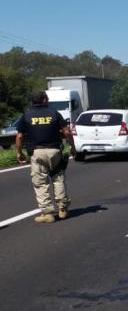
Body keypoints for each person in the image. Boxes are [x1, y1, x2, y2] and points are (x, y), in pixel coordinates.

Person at [15, 91, 76, 223]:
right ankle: (63, 209)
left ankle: (47, 213)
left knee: (41, 183)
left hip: (37, 153)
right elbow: (67, 132)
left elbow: (19, 136)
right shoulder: (54, 113)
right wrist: (72, 147)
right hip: (55, 151)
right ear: (44, 99)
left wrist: (19, 153)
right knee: (58, 179)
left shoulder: (27, 115)